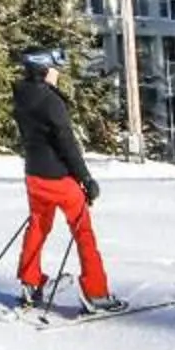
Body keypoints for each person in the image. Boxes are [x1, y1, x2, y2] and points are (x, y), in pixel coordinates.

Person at [13, 49, 123, 314]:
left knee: (38, 226)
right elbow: (67, 144)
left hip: (34, 175)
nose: (58, 72)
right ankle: (95, 293)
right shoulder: (51, 101)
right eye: (55, 68)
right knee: (83, 232)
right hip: (59, 178)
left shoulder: (22, 95)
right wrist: (86, 179)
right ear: (44, 70)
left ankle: (30, 282)